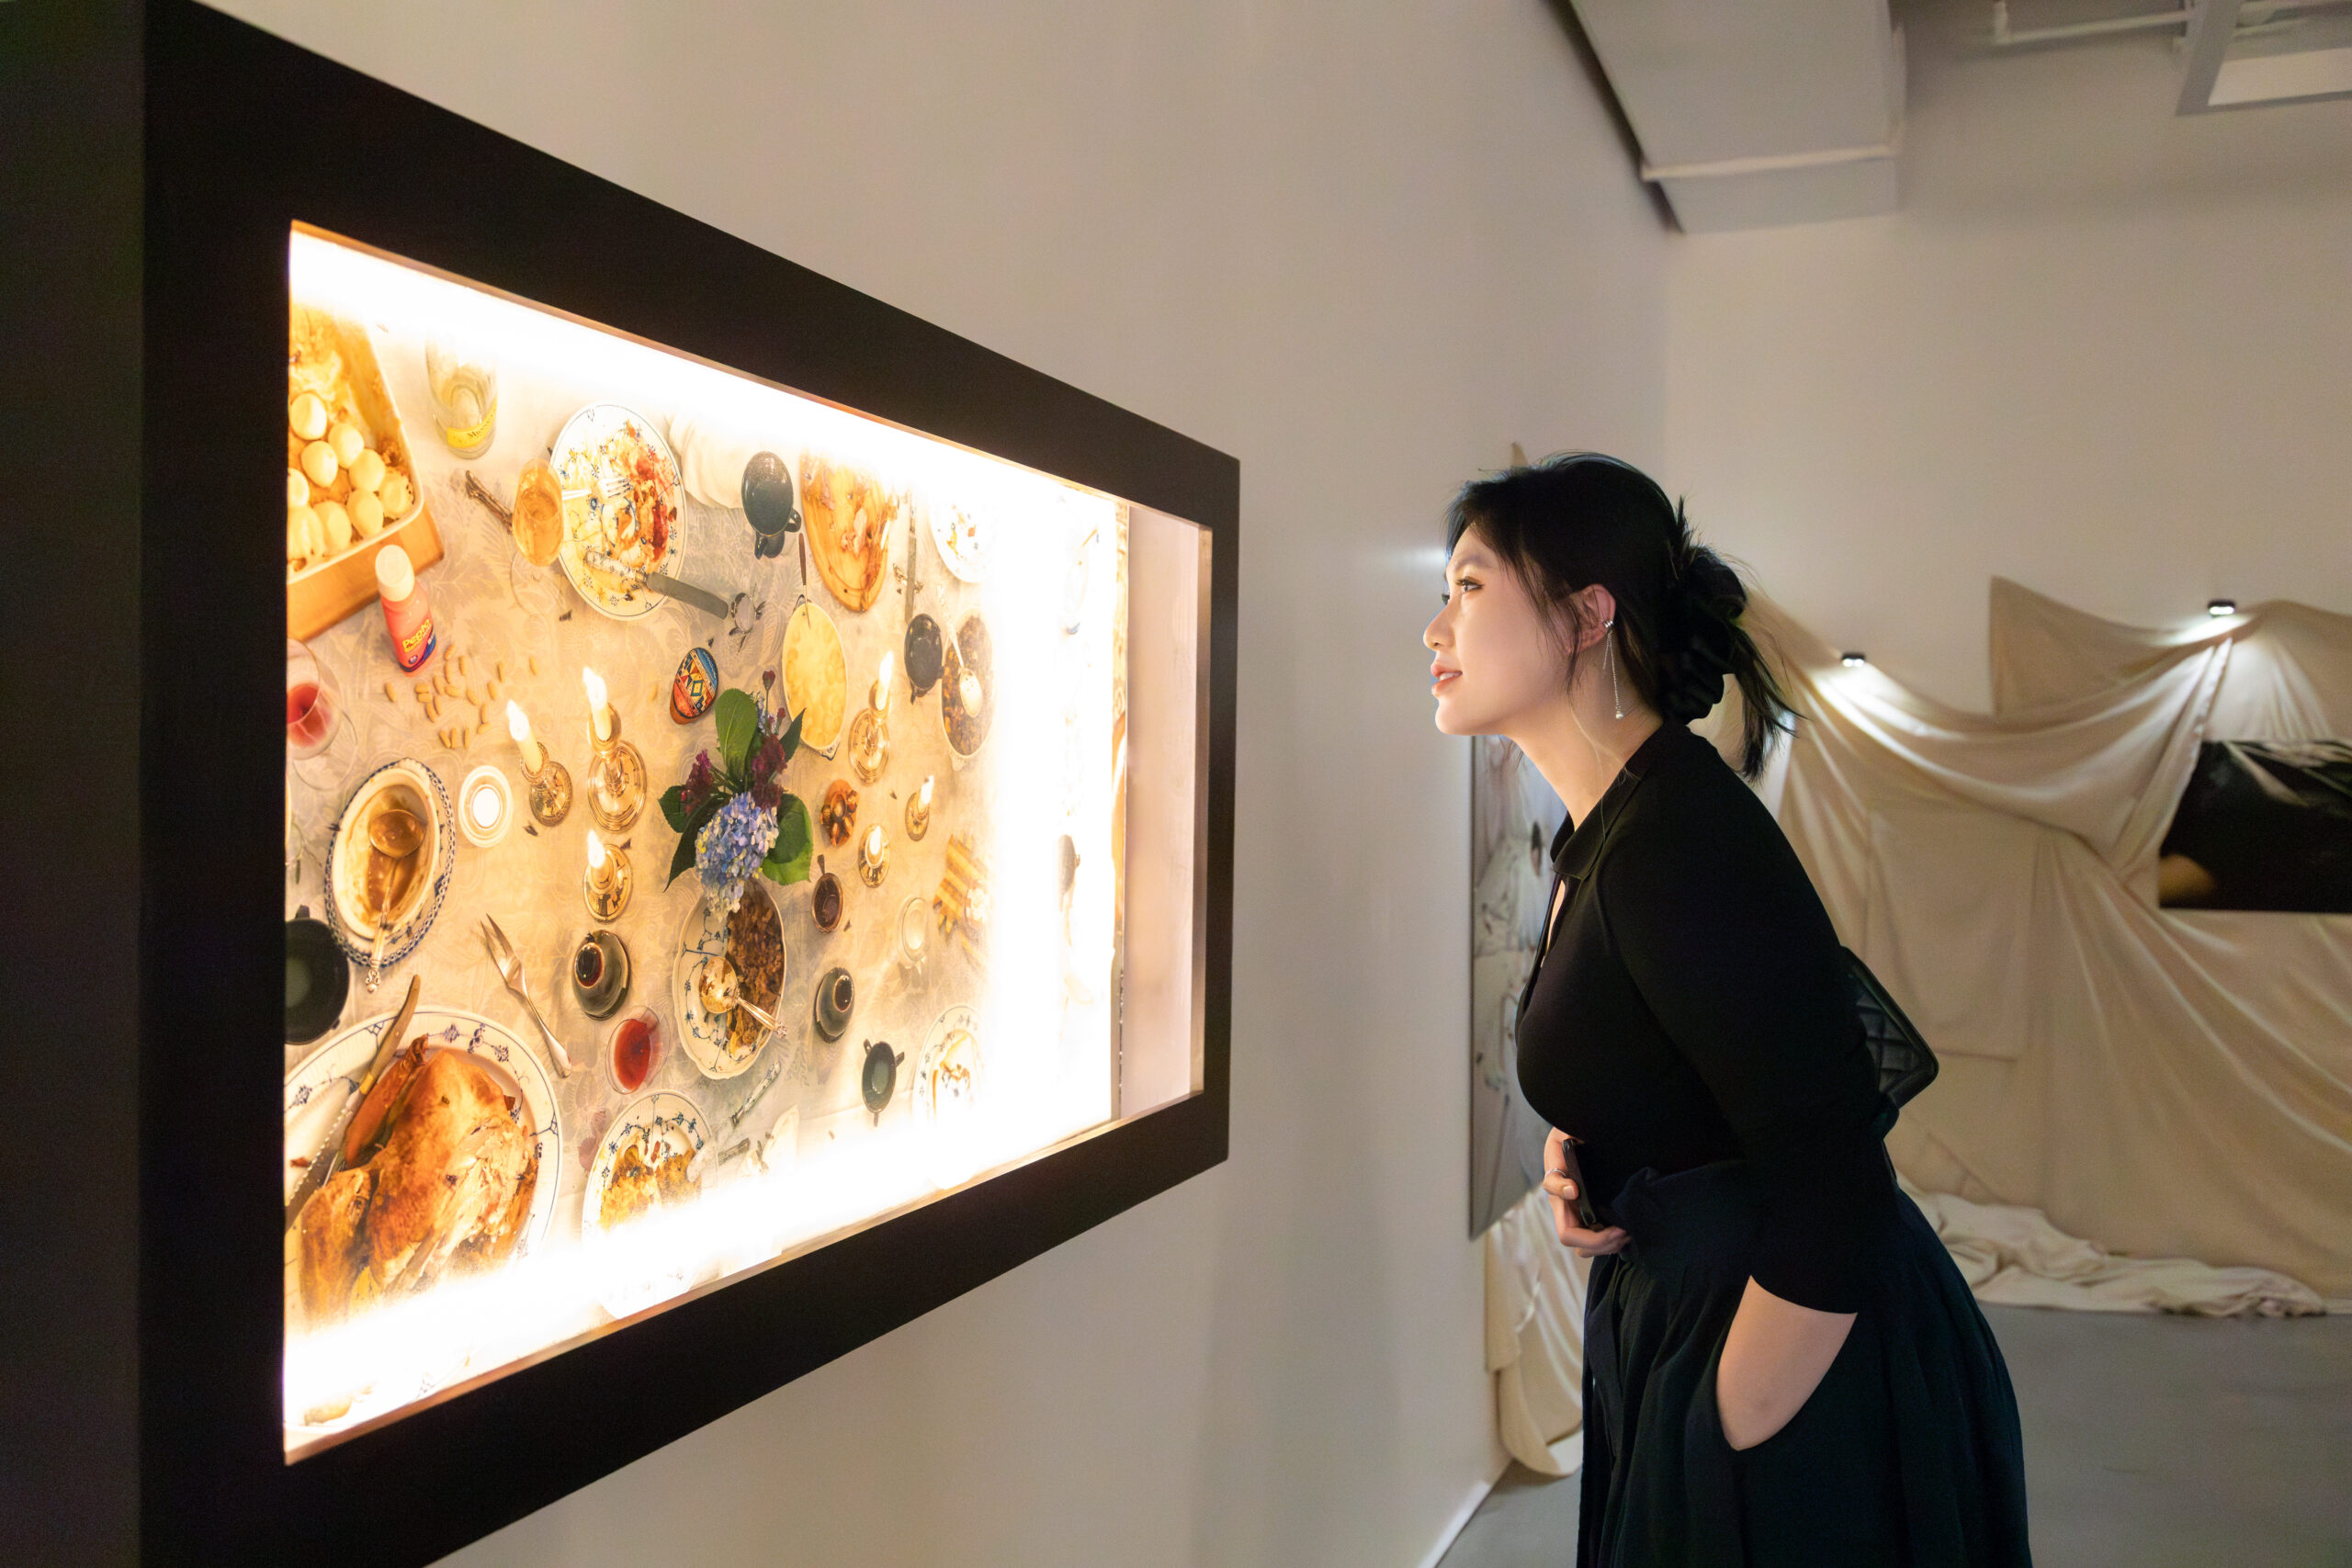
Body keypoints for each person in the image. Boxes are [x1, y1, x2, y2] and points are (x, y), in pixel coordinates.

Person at [1424, 454, 2031, 1566]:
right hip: (1692, 1323)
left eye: (1467, 587)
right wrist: (1588, 1153)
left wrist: (1724, 1434)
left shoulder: (1675, 844)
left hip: (1790, 1365)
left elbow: (1835, 1182)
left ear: (1582, 616)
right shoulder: (1611, 826)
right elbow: (1675, 1057)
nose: (1435, 629)